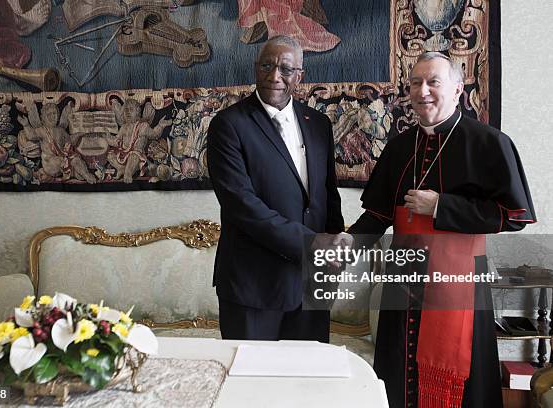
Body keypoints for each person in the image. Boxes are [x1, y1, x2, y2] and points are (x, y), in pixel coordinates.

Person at [347, 52, 536, 408]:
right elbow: (376, 216)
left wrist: (441, 206)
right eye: (415, 83)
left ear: (457, 88)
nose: (423, 91)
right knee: (398, 371)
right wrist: (347, 243)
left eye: (433, 82)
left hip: (460, 279)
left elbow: (514, 214)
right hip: (404, 277)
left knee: (462, 378)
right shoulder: (399, 147)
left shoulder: (488, 142)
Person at [207, 35, 346, 342]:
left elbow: (327, 195)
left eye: (285, 68)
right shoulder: (228, 125)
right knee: (252, 386)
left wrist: (333, 254)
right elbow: (241, 205)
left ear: (300, 76)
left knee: (307, 384)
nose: (274, 76)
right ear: (256, 68)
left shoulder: (318, 123)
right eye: (267, 66)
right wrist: (313, 243)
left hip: (311, 286)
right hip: (253, 288)